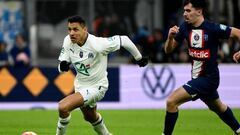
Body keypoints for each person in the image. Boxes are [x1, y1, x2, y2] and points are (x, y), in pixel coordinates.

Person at [56, 15, 148, 135]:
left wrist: (138, 58)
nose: (72, 33)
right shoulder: (68, 41)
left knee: (63, 107)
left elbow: (124, 40)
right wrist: (62, 66)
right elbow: (62, 66)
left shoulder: (98, 44)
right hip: (80, 86)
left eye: (75, 29)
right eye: (69, 29)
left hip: (97, 87)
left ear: (84, 29)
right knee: (90, 117)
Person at [162, 0, 240, 135]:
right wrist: (169, 38)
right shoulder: (185, 28)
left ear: (199, 11)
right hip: (198, 78)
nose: (184, 14)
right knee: (218, 107)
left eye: (188, 11)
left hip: (209, 79)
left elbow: (238, 33)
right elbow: (168, 50)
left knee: (171, 101)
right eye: (184, 11)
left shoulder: (212, 28)